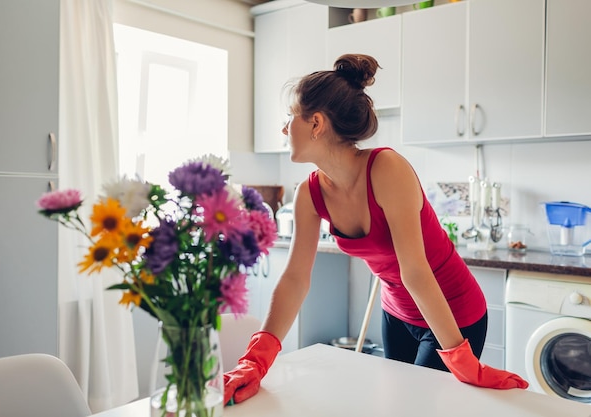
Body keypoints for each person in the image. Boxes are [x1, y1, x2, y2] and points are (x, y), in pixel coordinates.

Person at [223, 54, 528, 405]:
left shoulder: (386, 168)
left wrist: (461, 359)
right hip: (397, 313)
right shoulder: (309, 193)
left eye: (289, 118)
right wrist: (255, 361)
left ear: (316, 124)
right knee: (394, 407)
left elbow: (414, 270)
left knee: (424, 408)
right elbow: (295, 278)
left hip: (452, 314)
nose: (283, 129)